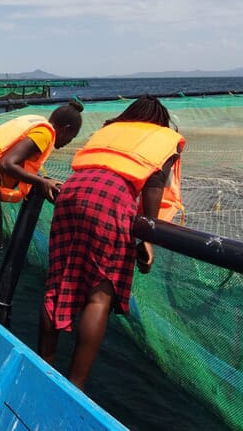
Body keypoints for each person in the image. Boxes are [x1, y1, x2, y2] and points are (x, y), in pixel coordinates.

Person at [38, 94, 186, 391]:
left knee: (58, 282)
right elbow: (154, 186)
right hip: (111, 197)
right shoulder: (164, 138)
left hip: (72, 190)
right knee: (99, 296)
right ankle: (76, 385)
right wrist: (147, 238)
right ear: (159, 122)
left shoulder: (109, 130)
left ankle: (43, 366)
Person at [0, 100, 84, 307]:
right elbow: (7, 163)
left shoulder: (35, 123)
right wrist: (42, 181)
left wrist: (36, 178)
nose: (68, 142)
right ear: (66, 129)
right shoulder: (45, 134)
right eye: (72, 137)